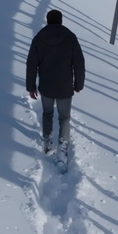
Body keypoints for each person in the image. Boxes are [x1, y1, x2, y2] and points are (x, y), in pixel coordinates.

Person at [26, 9, 85, 154]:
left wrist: (31, 87)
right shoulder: (70, 37)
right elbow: (79, 63)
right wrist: (78, 84)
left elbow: (32, 64)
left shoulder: (39, 38)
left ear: (47, 20)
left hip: (46, 85)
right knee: (64, 118)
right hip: (64, 86)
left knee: (47, 114)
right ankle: (63, 147)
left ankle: (47, 142)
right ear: (61, 20)